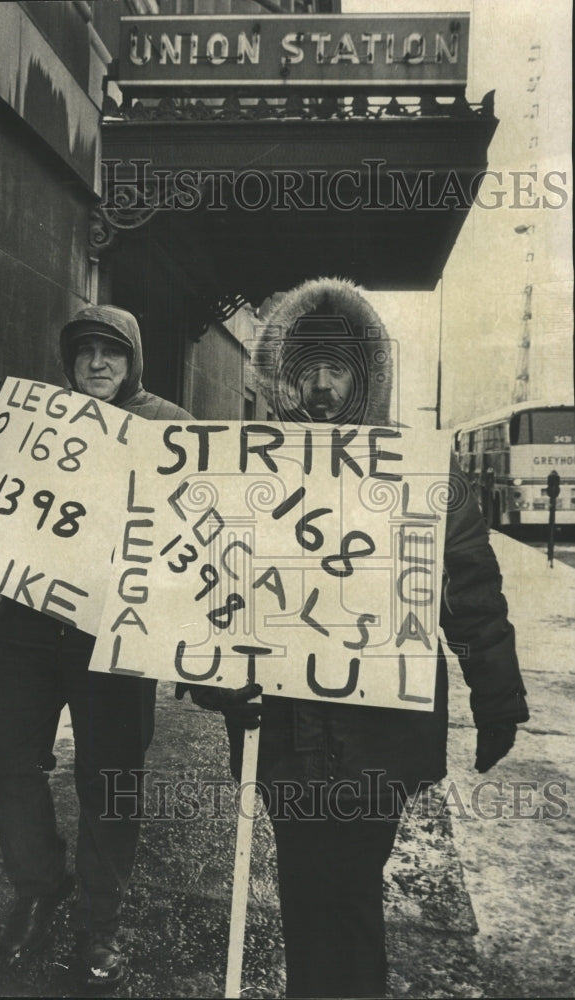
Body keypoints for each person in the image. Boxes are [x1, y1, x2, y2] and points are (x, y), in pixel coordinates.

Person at [180, 278, 529, 999]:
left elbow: (470, 591)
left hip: (379, 734)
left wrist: (496, 700)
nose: (320, 387)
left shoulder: (418, 472)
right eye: (306, 369)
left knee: (351, 892)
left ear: (364, 378)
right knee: (307, 892)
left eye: (336, 369)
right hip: (281, 732)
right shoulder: (251, 469)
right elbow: (206, 594)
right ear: (284, 376)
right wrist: (218, 685)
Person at [0, 305, 191, 986]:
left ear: (133, 361)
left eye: (111, 352)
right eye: (84, 351)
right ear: (69, 361)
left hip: (115, 631)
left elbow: (195, 530)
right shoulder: (37, 422)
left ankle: (100, 921)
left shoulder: (169, 426)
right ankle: (39, 884)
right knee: (2, 756)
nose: (96, 363)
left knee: (110, 780)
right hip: (32, 623)